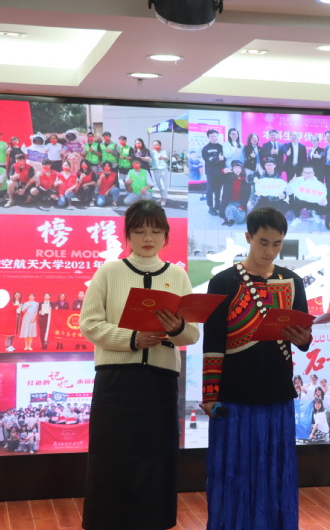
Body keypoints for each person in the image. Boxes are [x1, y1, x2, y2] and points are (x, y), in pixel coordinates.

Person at [79, 200, 199, 530]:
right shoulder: (109, 272)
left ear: (166, 236)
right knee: (111, 456)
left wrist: (175, 328)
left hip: (160, 383)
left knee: (157, 456)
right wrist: (133, 338)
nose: (148, 238)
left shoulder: (177, 275)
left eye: (156, 231)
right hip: (116, 381)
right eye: (140, 231)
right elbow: (89, 324)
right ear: (128, 235)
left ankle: (155, 522)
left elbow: (191, 334)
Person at [201, 206, 312, 530]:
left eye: (277, 244)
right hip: (234, 394)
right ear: (248, 237)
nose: (269, 251)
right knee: (232, 471)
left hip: (277, 391)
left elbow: (304, 337)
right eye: (263, 242)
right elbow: (213, 341)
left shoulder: (292, 281)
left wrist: (303, 338)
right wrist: (210, 394)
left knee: (276, 471)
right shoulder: (223, 281)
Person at [202, 129, 226, 216]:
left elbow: (224, 158)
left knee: (218, 189)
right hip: (211, 173)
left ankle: (217, 205)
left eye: (215, 136)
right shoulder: (205, 148)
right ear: (208, 137)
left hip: (220, 173)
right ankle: (210, 207)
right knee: (210, 190)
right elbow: (209, 160)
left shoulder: (221, 147)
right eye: (212, 136)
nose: (214, 138)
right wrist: (218, 158)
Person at [150, 140, 171, 206]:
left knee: (164, 185)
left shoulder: (163, 151)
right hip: (156, 169)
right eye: (154, 145)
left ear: (160, 145)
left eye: (157, 144)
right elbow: (149, 159)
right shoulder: (152, 152)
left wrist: (163, 158)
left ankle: (164, 199)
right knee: (159, 185)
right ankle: (162, 197)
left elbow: (168, 159)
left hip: (163, 169)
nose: (155, 146)